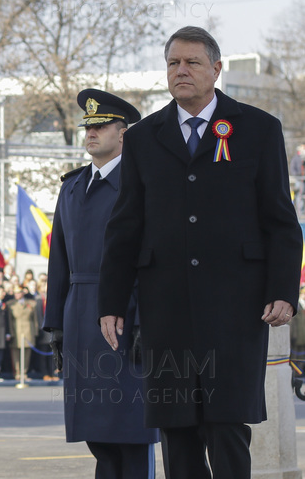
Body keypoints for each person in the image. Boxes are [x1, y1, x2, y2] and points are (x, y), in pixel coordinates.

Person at [99, 26, 303, 479]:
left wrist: (284, 291)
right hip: (166, 307)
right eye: (173, 63)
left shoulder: (257, 129)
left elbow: (280, 222)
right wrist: (111, 302)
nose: (181, 70)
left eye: (191, 62)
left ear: (216, 69)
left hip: (235, 307)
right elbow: (125, 226)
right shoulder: (144, 137)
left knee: (226, 425)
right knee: (177, 431)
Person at [44, 89, 158, 478]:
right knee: (98, 437)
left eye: (102, 126)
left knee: (132, 432)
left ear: (124, 134)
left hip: (124, 318)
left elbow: (151, 259)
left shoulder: (142, 183)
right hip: (80, 319)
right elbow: (58, 261)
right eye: (88, 127)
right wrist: (54, 324)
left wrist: (146, 320)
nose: (91, 133)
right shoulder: (72, 187)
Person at [7, 288, 38, 383]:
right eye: (16, 293)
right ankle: (17, 373)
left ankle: (24, 372)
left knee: (27, 353)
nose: (17, 295)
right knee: (16, 352)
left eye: (19, 293)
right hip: (17, 330)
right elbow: (9, 320)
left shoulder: (31, 303)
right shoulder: (10, 304)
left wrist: (35, 332)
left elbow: (35, 319)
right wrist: (10, 332)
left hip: (28, 330)